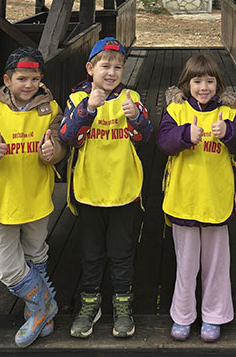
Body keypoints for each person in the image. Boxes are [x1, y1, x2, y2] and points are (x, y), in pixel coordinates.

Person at [0, 46, 65, 348]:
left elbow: (60, 144)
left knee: (36, 253)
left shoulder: (51, 109)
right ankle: (43, 305)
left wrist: (53, 151)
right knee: (8, 268)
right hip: (0, 199)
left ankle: (36, 310)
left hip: (35, 196)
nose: (29, 85)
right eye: (22, 79)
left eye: (35, 79)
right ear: (7, 80)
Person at [58, 37, 152, 339]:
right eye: (105, 66)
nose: (111, 73)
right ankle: (90, 303)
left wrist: (136, 117)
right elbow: (68, 137)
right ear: (90, 68)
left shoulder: (131, 97)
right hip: (90, 189)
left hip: (124, 188)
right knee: (91, 252)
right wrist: (88, 109)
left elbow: (145, 137)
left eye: (118, 67)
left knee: (122, 253)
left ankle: (123, 304)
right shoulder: (77, 99)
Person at [156, 53, 236, 343]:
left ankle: (214, 316)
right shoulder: (176, 110)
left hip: (215, 199)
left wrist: (229, 132)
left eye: (210, 81)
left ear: (218, 84)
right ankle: (182, 316)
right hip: (184, 198)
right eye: (197, 81)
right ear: (187, 84)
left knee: (216, 265)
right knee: (186, 265)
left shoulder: (229, 113)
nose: (204, 87)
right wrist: (185, 134)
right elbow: (163, 142)